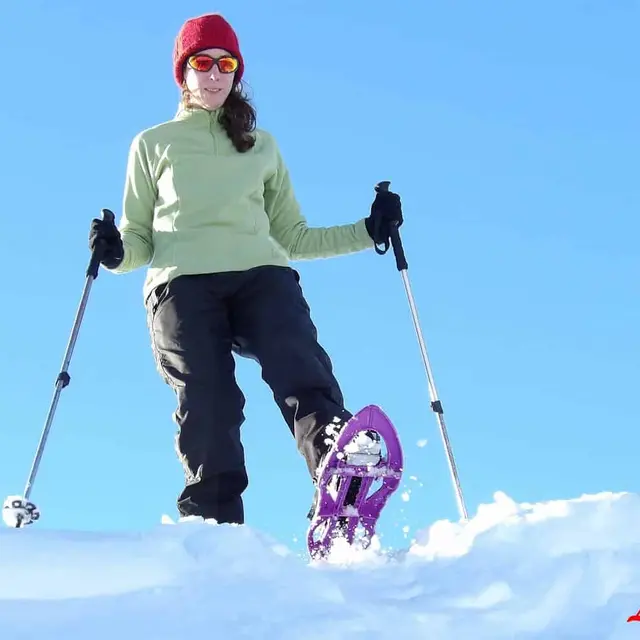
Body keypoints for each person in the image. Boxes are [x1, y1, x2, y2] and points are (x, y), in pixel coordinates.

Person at [89, 13, 403, 525]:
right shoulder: (154, 143)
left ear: (237, 73)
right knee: (208, 394)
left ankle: (338, 467)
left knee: (296, 361)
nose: (215, 74)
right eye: (203, 63)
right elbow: (140, 239)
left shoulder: (261, 146)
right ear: (183, 72)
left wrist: (369, 231)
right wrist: (115, 252)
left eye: (226, 64)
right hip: (182, 285)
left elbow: (294, 237)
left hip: (261, 275)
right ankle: (214, 522)